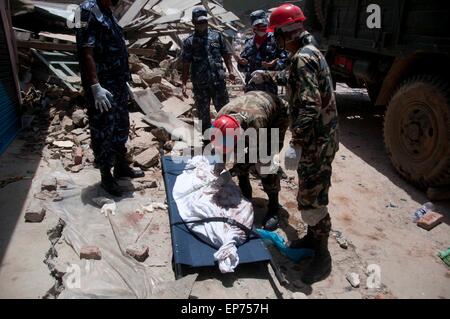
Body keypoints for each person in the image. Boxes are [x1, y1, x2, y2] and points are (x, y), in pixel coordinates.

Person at [268, 3, 340, 284]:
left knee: (312, 198)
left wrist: (295, 143)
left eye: (277, 33)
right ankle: (312, 239)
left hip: (316, 142)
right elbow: (297, 82)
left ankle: (322, 256)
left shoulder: (302, 58)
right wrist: (271, 76)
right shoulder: (308, 53)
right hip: (320, 138)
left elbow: (310, 105)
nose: (276, 40)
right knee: (310, 193)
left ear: (287, 32)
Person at [75, 0, 143, 197]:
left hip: (118, 85)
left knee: (121, 126)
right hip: (103, 87)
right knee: (104, 131)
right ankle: (106, 177)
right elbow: (85, 51)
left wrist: (125, 82)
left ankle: (121, 167)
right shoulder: (86, 10)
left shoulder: (108, 12)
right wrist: (95, 86)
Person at [210, 90, 289, 231]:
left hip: (277, 116)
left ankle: (273, 207)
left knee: (265, 163)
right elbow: (222, 144)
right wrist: (220, 163)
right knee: (240, 154)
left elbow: (251, 157)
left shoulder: (257, 125)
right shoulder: (221, 118)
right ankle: (246, 192)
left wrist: (230, 173)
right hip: (254, 105)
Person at [181, 7, 235, 135]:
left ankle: (229, 139)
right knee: (203, 115)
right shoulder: (189, 41)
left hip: (218, 83)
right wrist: (183, 83)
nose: (202, 25)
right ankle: (207, 143)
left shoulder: (217, 36)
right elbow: (186, 63)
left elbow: (226, 55)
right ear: (193, 22)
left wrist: (231, 71)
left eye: (204, 22)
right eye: (199, 22)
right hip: (201, 85)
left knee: (225, 112)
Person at [237, 10, 288, 95]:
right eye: (258, 25)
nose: (262, 28)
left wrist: (274, 65)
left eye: (264, 25)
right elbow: (242, 68)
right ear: (253, 27)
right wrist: (242, 64)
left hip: (269, 87)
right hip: (251, 87)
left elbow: (286, 61)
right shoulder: (248, 43)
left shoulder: (275, 40)